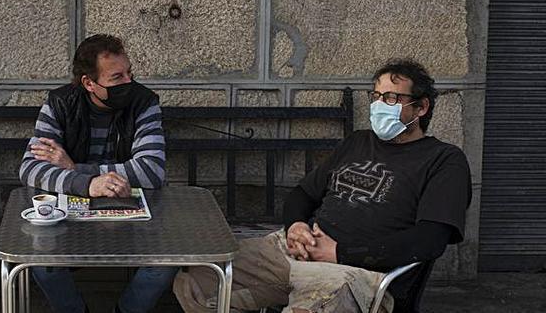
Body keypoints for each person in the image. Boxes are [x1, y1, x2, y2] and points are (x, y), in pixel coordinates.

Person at [173, 58, 472, 313]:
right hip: (295, 251)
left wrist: (340, 253)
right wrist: (295, 226)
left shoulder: (444, 160)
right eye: (377, 96)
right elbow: (303, 194)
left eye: (392, 98)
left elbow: (430, 240)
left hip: (356, 273)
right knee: (198, 280)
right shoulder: (358, 142)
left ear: (420, 108)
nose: (381, 105)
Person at [18, 34, 177, 313]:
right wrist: (89, 184)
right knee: (43, 264)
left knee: (163, 265)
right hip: (71, 218)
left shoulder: (143, 102)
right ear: (89, 83)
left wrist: (75, 169)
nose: (129, 82)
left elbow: (152, 170)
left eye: (130, 73)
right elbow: (30, 168)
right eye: (117, 78)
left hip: (133, 217)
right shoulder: (59, 103)